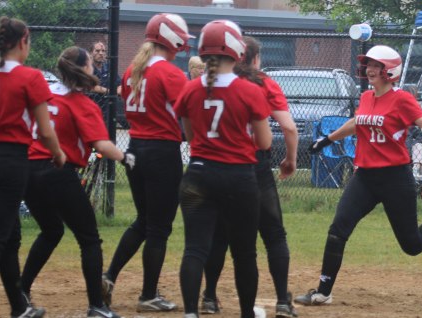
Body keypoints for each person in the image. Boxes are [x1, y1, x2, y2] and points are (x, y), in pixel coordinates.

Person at [295, 45, 422, 306]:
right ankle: (323, 291)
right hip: (365, 178)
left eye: (376, 66)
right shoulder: (367, 97)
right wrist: (326, 139)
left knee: (411, 245)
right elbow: (357, 122)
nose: (370, 69)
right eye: (369, 64)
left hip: (394, 179)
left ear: (389, 71)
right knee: (337, 230)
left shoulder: (401, 98)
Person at [20, 46, 131, 318]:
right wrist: (127, 157)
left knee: (52, 230)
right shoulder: (81, 103)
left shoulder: (44, 95)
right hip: (57, 171)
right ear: (82, 69)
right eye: (91, 63)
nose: (94, 67)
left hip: (28, 171)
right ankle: (96, 306)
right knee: (89, 239)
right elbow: (102, 145)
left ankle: (20, 291)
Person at [174, 20, 272, 318]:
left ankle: (191, 311)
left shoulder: (191, 89)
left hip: (199, 174)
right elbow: (265, 142)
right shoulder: (249, 90)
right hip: (237, 177)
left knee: (195, 249)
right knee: (244, 253)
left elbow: (190, 137)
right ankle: (245, 313)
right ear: (236, 50)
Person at [101, 13, 193, 312]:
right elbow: (188, 114)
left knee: (144, 221)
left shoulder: (132, 70)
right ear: (172, 38)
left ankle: (109, 276)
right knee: (159, 228)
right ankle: (148, 294)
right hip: (161, 153)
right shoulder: (169, 73)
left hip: (135, 149)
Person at [200, 35, 298, 318]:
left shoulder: (214, 82)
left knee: (220, 235)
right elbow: (289, 128)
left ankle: (208, 297)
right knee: (274, 235)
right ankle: (282, 301)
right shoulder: (263, 82)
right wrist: (289, 161)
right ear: (254, 58)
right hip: (254, 165)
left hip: (218, 165)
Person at [0, 16, 65, 317]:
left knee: (8, 234)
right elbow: (45, 131)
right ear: (23, 42)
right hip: (11, 160)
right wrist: (57, 154)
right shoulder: (30, 77)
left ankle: (19, 307)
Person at [89, 41, 122, 122]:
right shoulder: (88, 67)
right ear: (91, 53)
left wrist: (117, 91)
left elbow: (119, 84)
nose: (101, 53)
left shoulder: (109, 66)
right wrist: (110, 92)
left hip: (107, 108)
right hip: (92, 106)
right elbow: (90, 86)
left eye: (103, 51)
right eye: (97, 51)